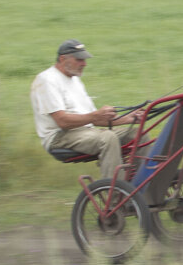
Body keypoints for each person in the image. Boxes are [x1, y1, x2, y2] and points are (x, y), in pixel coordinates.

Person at [31, 39, 143, 180]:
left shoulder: (75, 80)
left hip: (87, 132)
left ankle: (146, 190)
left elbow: (95, 119)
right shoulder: (47, 80)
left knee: (138, 134)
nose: (84, 63)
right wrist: (95, 115)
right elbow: (62, 121)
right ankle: (116, 194)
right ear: (62, 59)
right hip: (59, 137)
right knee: (108, 137)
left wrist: (128, 118)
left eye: (84, 59)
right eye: (79, 59)